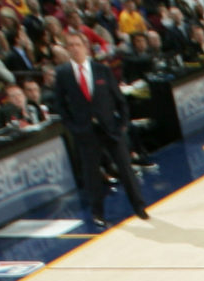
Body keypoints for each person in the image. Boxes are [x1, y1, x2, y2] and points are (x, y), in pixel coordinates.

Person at [51, 28, 148, 227]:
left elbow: (119, 100)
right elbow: (60, 105)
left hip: (111, 128)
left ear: (85, 47)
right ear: (67, 50)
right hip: (85, 132)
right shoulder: (62, 74)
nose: (74, 49)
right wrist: (74, 127)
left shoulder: (102, 70)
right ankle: (98, 213)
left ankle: (139, 206)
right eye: (70, 46)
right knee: (92, 174)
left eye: (77, 45)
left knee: (125, 168)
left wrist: (121, 124)